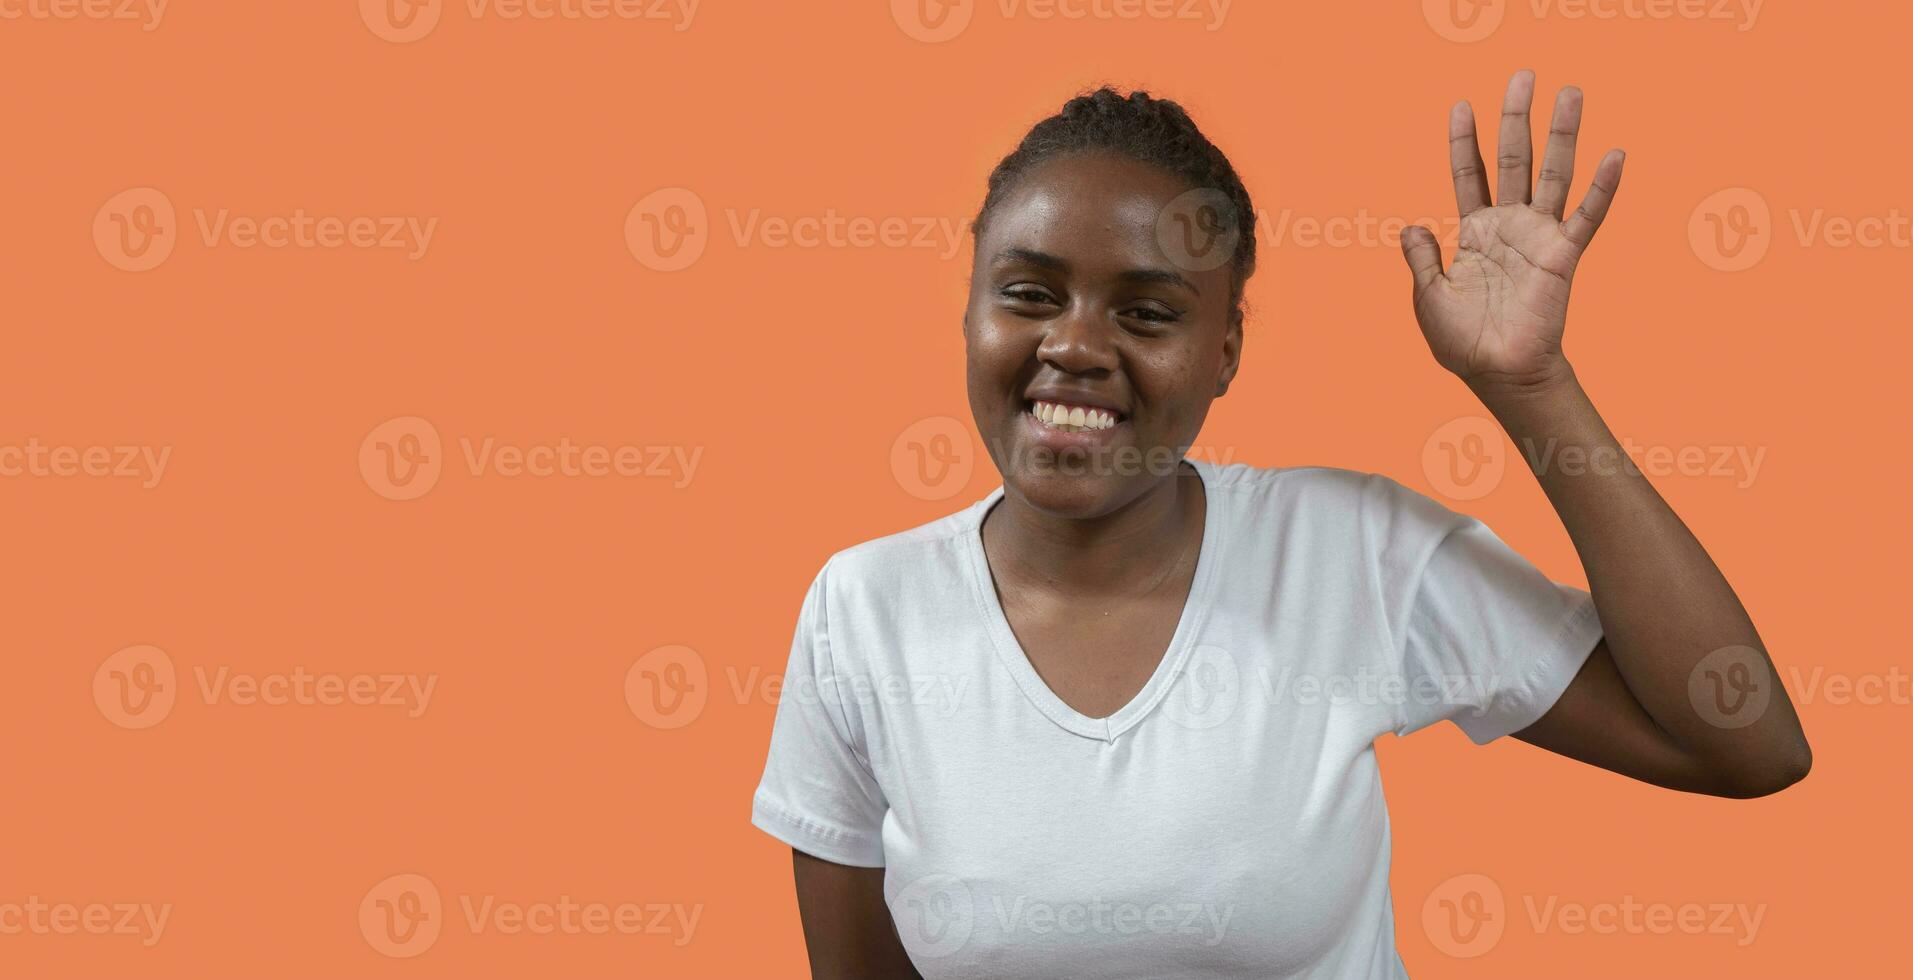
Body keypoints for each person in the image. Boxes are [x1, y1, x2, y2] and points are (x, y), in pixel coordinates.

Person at [750, 70, 1811, 979]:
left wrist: (1530, 387)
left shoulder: (1350, 552)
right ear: (971, 309)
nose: (1072, 344)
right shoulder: (863, 609)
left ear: (1224, 351)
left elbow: (1743, 741)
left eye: (1147, 310)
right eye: (1027, 293)